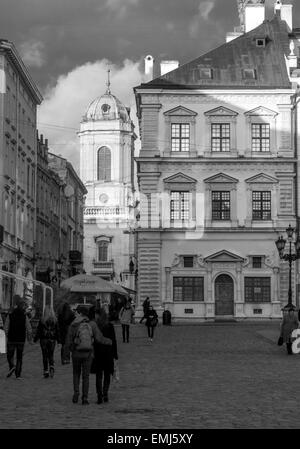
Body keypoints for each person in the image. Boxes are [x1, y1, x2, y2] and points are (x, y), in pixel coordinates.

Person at [66, 304, 112, 405]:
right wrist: (109, 341)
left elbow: (68, 340)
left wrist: (67, 354)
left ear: (79, 313)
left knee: (76, 374)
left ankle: (76, 393)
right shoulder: (92, 324)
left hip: (76, 353)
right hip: (88, 353)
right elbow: (99, 338)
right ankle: (85, 398)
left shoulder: (73, 324)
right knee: (85, 376)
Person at [92, 307, 118, 404]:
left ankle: (99, 396)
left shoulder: (96, 325)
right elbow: (114, 341)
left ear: (98, 315)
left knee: (99, 375)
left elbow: (93, 340)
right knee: (107, 374)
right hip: (108, 353)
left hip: (98, 352)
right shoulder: (110, 326)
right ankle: (105, 393)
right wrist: (115, 354)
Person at [4, 297, 32, 379]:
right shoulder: (24, 317)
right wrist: (29, 338)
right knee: (19, 357)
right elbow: (29, 328)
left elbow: (6, 327)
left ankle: (12, 366)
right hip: (21, 339)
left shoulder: (10, 316)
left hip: (11, 339)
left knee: (10, 355)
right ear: (22, 307)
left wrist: (7, 335)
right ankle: (18, 375)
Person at [34, 305, 60, 378]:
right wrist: (59, 340)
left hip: (44, 340)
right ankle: (51, 366)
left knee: (44, 355)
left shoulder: (42, 320)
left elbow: (38, 331)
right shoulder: (55, 320)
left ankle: (46, 371)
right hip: (52, 340)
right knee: (51, 354)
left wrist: (35, 339)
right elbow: (57, 331)